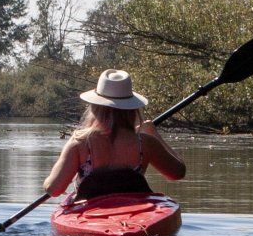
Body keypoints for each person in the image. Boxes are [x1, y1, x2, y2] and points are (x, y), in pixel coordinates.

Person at [42, 69, 185, 201]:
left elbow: (54, 189)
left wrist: (50, 179)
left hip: (92, 215)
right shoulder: (146, 143)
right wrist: (154, 134)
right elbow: (178, 172)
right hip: (134, 213)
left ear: (95, 108)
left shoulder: (80, 142)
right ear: (132, 109)